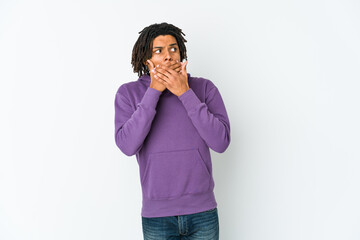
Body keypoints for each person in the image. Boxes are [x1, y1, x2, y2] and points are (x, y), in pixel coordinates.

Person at [114, 22, 231, 240]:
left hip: (202, 211)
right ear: (145, 59)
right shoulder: (128, 94)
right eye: (158, 51)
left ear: (181, 53)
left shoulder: (204, 89)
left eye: (173, 48)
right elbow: (127, 146)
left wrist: (185, 93)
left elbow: (221, 142)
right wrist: (153, 92)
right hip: (157, 216)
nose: (168, 56)